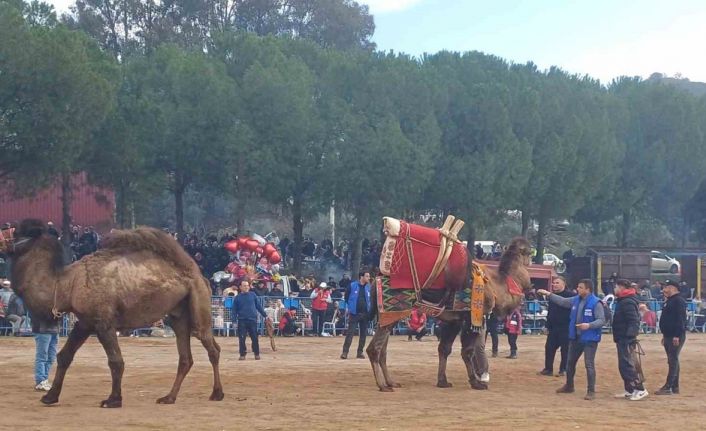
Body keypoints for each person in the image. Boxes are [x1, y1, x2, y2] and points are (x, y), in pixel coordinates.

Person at [537, 279, 606, 401]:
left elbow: (601, 320)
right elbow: (562, 301)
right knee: (570, 363)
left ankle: (591, 391)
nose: (577, 289)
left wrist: (589, 325)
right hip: (576, 337)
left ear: (588, 289)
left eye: (580, 287)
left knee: (589, 364)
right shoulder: (576, 300)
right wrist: (549, 294)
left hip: (589, 338)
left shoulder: (596, 303)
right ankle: (569, 386)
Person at [611, 279, 648, 401]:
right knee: (623, 365)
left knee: (628, 365)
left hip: (626, 339)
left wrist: (629, 337)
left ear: (621, 287)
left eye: (616, 287)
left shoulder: (627, 302)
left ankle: (640, 389)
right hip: (621, 337)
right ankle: (630, 389)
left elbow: (633, 321)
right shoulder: (624, 301)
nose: (614, 289)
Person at [539, 276, 575, 377]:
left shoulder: (571, 295)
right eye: (553, 283)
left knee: (565, 349)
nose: (554, 284)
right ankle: (548, 369)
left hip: (566, 327)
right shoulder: (552, 296)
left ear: (564, 284)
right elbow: (550, 312)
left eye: (557, 283)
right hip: (554, 327)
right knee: (549, 348)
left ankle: (563, 369)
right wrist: (547, 326)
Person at [656, 280, 687, 395]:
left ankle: (668, 386)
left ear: (673, 288)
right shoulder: (670, 301)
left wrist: (677, 335)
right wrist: (665, 335)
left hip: (675, 335)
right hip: (669, 335)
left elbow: (680, 319)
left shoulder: (678, 301)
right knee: (672, 360)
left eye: (666, 287)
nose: (664, 290)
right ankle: (675, 387)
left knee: (673, 360)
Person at [231, 280, 269, 360]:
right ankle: (242, 354)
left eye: (247, 285)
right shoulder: (237, 298)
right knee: (241, 338)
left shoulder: (253, 295)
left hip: (252, 320)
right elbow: (234, 311)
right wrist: (234, 321)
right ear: (240, 287)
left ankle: (256, 353)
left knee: (255, 337)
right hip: (242, 321)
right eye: (244, 285)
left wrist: (265, 315)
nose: (246, 287)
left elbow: (258, 306)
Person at [341, 271, 372, 359]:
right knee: (350, 333)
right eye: (367, 276)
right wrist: (351, 307)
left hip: (365, 314)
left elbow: (370, 300)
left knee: (363, 334)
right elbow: (346, 298)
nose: (368, 278)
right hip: (354, 314)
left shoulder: (368, 287)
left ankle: (360, 352)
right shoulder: (352, 286)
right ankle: (345, 352)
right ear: (361, 277)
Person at [33, 315, 59, 391]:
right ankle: (40, 381)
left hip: (54, 329)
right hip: (42, 330)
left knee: (51, 358)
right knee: (42, 357)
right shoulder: (38, 303)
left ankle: (44, 379)